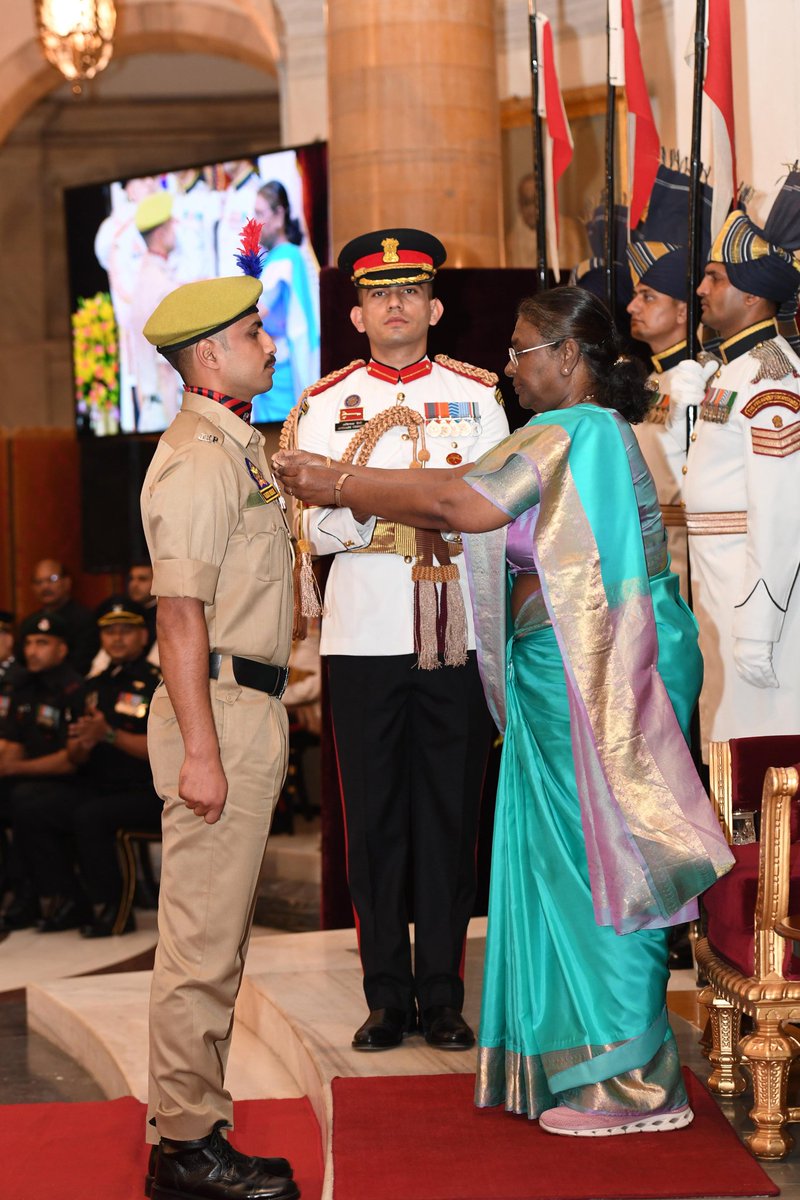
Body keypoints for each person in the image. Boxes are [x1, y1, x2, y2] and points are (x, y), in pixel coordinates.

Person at [273, 286, 733, 1136]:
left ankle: (630, 1080)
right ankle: (567, 1063)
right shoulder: (564, 434)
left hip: (593, 674)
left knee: (607, 861)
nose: (513, 367)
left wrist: (336, 479)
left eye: (523, 351)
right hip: (557, 673)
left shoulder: (580, 431)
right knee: (560, 864)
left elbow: (462, 507)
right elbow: (470, 499)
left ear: (569, 356)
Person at [287, 227, 509, 1053]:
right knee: (375, 817)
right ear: (356, 313)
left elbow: (492, 504)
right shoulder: (324, 403)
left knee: (449, 813)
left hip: (455, 624)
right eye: (379, 294)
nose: (394, 304)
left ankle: (444, 994)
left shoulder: (480, 397)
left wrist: (365, 493)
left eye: (409, 291)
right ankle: (386, 995)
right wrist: (419, 497)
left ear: (435, 306)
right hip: (364, 629)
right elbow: (314, 520)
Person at [139, 272, 298, 1200]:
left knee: (218, 940)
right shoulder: (202, 459)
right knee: (200, 944)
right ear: (210, 356)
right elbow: (179, 617)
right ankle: (187, 1147)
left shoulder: (236, 448)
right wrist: (201, 751)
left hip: (243, 710)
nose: (269, 343)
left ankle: (189, 1130)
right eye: (254, 333)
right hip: (220, 716)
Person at [670, 175, 800, 754]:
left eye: (715, 278)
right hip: (720, 595)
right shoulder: (729, 373)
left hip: (758, 608)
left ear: (751, 296)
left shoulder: (773, 378)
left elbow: (779, 513)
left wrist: (758, 624)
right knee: (725, 761)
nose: (699, 288)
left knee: (758, 768)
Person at [625, 162, 713, 601]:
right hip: (653, 554)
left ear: (683, 311)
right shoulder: (654, 381)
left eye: (647, 297)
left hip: (695, 555)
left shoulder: (707, 380)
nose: (631, 307)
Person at [66, 596, 162, 938]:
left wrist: (107, 734)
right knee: (39, 805)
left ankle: (115, 913)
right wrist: (82, 744)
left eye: (126, 630)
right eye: (110, 633)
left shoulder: (159, 685)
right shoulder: (92, 687)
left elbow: (161, 752)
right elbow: (76, 757)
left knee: (92, 815)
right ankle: (66, 902)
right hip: (100, 785)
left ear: (143, 636)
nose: (117, 639)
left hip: (148, 790)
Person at [0, 613, 86, 933]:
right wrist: (9, 764)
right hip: (32, 780)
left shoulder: (74, 688)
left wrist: (14, 767)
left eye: (43, 643)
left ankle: (60, 895)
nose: (33, 650)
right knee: (15, 797)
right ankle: (20, 891)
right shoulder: (24, 686)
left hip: (75, 783)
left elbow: (70, 761)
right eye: (30, 643)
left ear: (62, 649)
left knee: (27, 802)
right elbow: (11, 743)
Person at [252, 180, 320, 422]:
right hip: (275, 370)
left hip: (283, 374)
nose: (255, 223)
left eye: (260, 213)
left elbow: (258, 312)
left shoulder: (286, 258)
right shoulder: (278, 258)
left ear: (279, 214)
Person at [129, 192, 182, 432]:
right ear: (160, 234)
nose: (176, 230)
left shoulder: (143, 278)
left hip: (151, 410)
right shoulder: (161, 286)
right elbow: (165, 368)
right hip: (166, 412)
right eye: (172, 225)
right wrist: (177, 428)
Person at [505, 172, 588, 273]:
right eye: (526, 202)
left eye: (536, 201)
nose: (532, 209)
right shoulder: (511, 242)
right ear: (519, 205)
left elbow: (576, 273)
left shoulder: (567, 231)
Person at [25, 558, 96, 674]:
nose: (45, 587)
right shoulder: (30, 622)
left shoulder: (84, 619)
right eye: (38, 582)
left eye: (52, 579)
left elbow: (82, 662)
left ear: (67, 582)